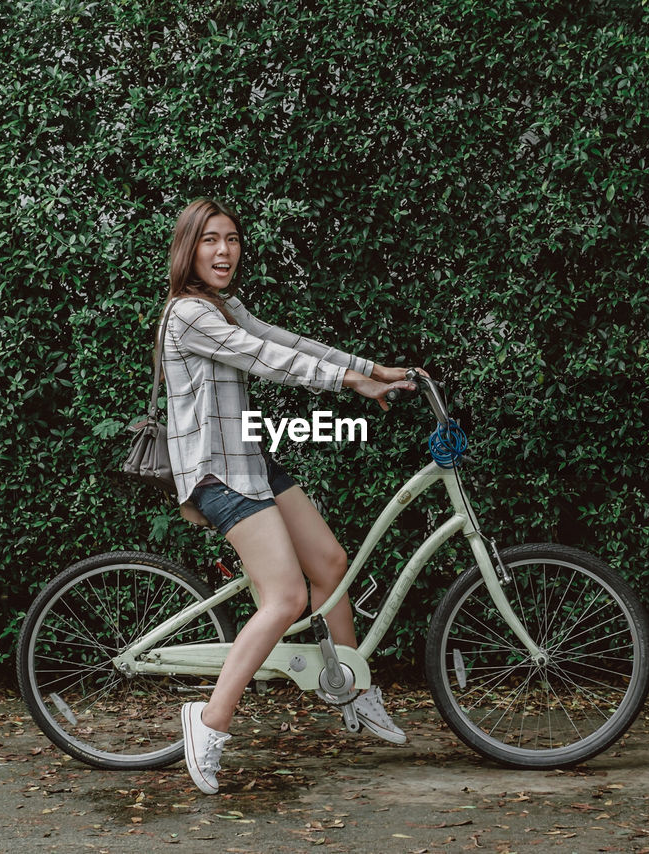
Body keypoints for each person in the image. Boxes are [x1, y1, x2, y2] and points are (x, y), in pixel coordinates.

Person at [159, 198, 419, 795]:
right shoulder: (188, 315)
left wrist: (370, 367)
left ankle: (352, 691)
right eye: (210, 240)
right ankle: (208, 722)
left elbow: (282, 337)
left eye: (232, 238)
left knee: (330, 565)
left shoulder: (225, 306)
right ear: (188, 250)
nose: (225, 250)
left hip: (251, 459)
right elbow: (266, 359)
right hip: (216, 473)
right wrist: (348, 383)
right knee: (285, 596)